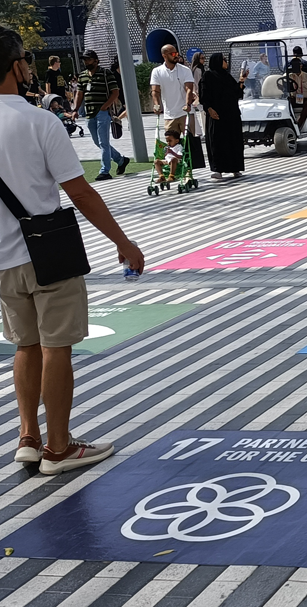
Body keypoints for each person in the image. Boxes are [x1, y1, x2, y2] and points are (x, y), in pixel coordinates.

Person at [0, 27, 144, 474]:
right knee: (55, 346)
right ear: (18, 66)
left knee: (25, 345)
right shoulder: (37, 120)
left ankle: (28, 437)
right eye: (26, 59)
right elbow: (80, 193)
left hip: (1, 262)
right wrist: (123, 242)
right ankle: (58, 448)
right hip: (48, 253)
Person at [71, 50, 129, 181]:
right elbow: (79, 94)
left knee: (103, 142)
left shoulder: (105, 73)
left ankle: (105, 170)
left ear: (96, 60)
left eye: (89, 59)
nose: (86, 62)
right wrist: (75, 109)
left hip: (102, 112)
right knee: (98, 142)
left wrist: (105, 106)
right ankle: (120, 160)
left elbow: (115, 92)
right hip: (89, 113)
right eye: (85, 60)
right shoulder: (83, 76)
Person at [200, 52, 246, 180]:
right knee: (217, 142)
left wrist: (242, 80)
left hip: (231, 115)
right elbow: (204, 95)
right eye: (224, 59)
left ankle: (235, 168)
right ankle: (218, 169)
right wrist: (209, 109)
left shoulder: (227, 76)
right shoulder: (208, 76)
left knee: (234, 141)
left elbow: (236, 92)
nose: (226, 62)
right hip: (217, 115)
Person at [150, 44, 195, 134]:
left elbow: (189, 89)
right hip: (169, 115)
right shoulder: (157, 71)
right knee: (172, 145)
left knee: (190, 143)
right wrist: (156, 106)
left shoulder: (185, 70)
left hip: (185, 113)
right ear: (164, 56)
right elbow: (155, 91)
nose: (176, 56)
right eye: (173, 54)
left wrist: (188, 105)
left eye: (176, 53)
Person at [287, 59, 307, 132]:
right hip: (296, 97)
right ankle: (287, 124)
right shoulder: (290, 76)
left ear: (301, 66)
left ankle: (299, 126)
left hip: (306, 98)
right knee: (287, 103)